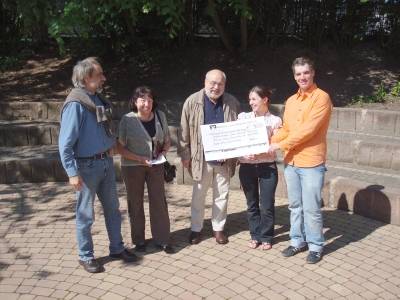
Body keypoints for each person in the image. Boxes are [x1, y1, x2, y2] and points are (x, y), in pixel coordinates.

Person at [58, 57, 137, 273]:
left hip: (105, 163)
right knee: (85, 214)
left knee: (113, 210)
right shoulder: (75, 104)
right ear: (86, 78)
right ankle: (86, 256)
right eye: (99, 74)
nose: (104, 77)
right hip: (86, 167)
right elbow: (65, 144)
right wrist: (72, 173)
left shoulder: (97, 99)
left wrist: (111, 144)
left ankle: (117, 248)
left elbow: (104, 128)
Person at [270, 57, 332, 264]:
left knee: (311, 207)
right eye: (298, 74)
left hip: (312, 162)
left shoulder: (321, 98)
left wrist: (281, 144)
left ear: (313, 73)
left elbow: (309, 130)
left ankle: (315, 245)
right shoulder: (291, 101)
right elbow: (286, 129)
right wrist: (267, 141)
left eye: (306, 72)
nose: (302, 77)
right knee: (295, 205)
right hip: (292, 162)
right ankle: (297, 241)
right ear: (294, 76)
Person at [178, 69, 241, 245]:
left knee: (222, 195)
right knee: (198, 195)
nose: (216, 87)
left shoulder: (232, 102)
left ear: (224, 85)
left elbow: (238, 130)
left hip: (224, 160)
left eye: (220, 83)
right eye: (212, 83)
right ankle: (196, 229)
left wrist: (236, 154)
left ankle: (218, 229)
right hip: (201, 159)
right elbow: (183, 131)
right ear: (205, 82)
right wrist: (185, 153)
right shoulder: (192, 101)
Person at [118, 86, 173, 254]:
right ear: (135, 102)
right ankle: (139, 240)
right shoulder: (127, 120)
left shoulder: (160, 116)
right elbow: (119, 148)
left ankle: (162, 239)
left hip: (156, 165)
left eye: (150, 100)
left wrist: (163, 152)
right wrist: (139, 159)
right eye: (143, 100)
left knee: (159, 202)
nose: (147, 104)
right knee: (135, 203)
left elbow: (167, 140)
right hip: (133, 166)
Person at [238, 86, 282, 250]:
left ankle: (267, 236)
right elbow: (238, 142)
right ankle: (255, 235)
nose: (251, 103)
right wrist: (244, 153)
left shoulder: (275, 121)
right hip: (247, 167)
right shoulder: (242, 118)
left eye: (254, 99)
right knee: (251, 204)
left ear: (265, 100)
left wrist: (266, 148)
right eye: (249, 99)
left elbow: (276, 143)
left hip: (267, 167)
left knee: (267, 204)